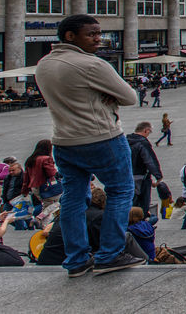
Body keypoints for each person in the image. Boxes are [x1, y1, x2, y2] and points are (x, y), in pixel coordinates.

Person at [33, 14, 142, 276]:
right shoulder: (92, 65)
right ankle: (110, 254)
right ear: (70, 36)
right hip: (101, 138)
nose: (98, 39)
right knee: (120, 191)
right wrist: (106, 94)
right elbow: (130, 97)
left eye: (98, 33)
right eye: (91, 34)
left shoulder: (44, 65)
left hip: (64, 142)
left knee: (72, 198)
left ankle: (76, 260)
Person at [127, 122, 163, 214]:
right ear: (146, 130)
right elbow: (149, 160)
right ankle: (140, 223)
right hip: (141, 176)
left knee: (130, 201)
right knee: (143, 203)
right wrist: (158, 176)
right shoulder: (142, 142)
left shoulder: (126, 140)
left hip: (127, 176)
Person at [23, 139, 59, 205]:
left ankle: (42, 215)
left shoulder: (30, 159)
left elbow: (26, 177)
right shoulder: (46, 158)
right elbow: (51, 173)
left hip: (34, 187)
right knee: (54, 205)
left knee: (45, 204)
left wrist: (24, 191)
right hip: (46, 186)